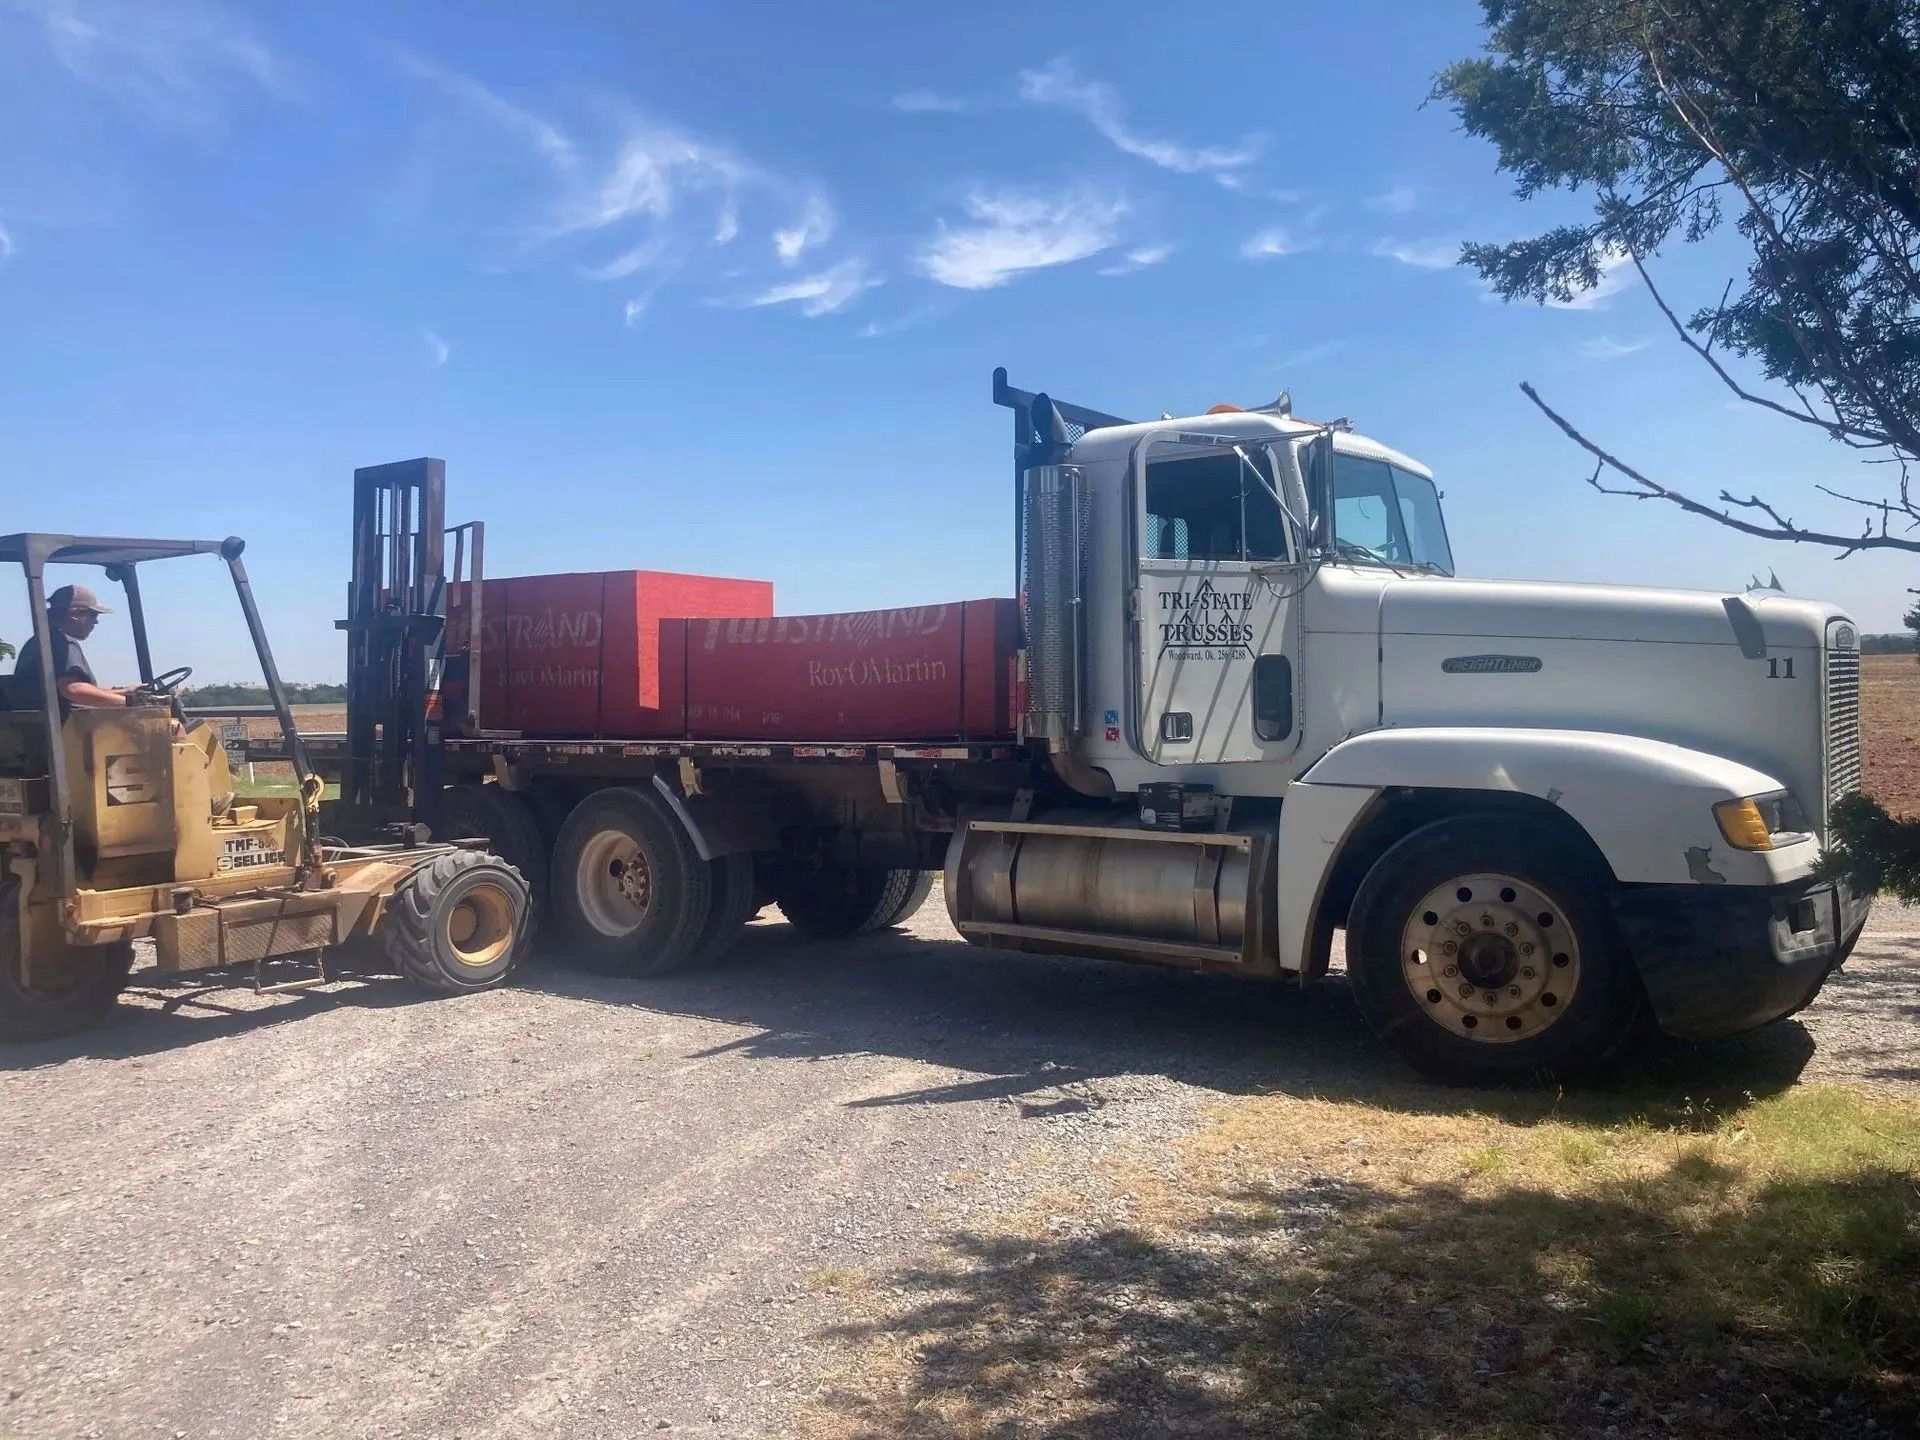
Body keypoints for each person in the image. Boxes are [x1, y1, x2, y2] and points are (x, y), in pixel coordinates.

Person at [12, 584, 133, 720]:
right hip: (61, 732)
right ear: (74, 614)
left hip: (35, 728)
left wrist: (126, 692)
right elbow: (73, 689)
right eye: (92, 615)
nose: (96, 622)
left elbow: (74, 688)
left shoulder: (38, 641)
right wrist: (130, 703)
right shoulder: (63, 642)